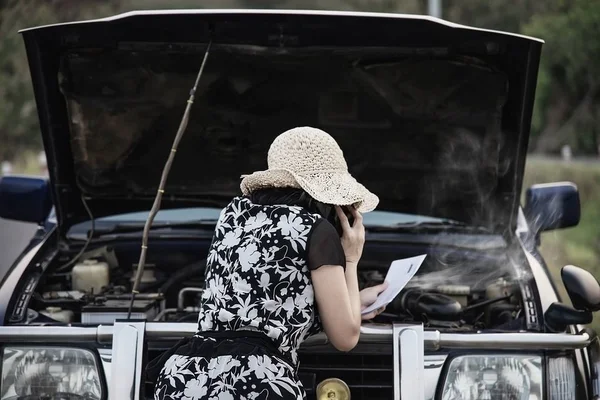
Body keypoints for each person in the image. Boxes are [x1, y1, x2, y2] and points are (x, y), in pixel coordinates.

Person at [151, 126, 388, 400]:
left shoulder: (231, 216)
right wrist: (351, 258)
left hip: (185, 380)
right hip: (256, 384)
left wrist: (354, 302)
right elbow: (346, 338)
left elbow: (268, 307)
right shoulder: (315, 230)